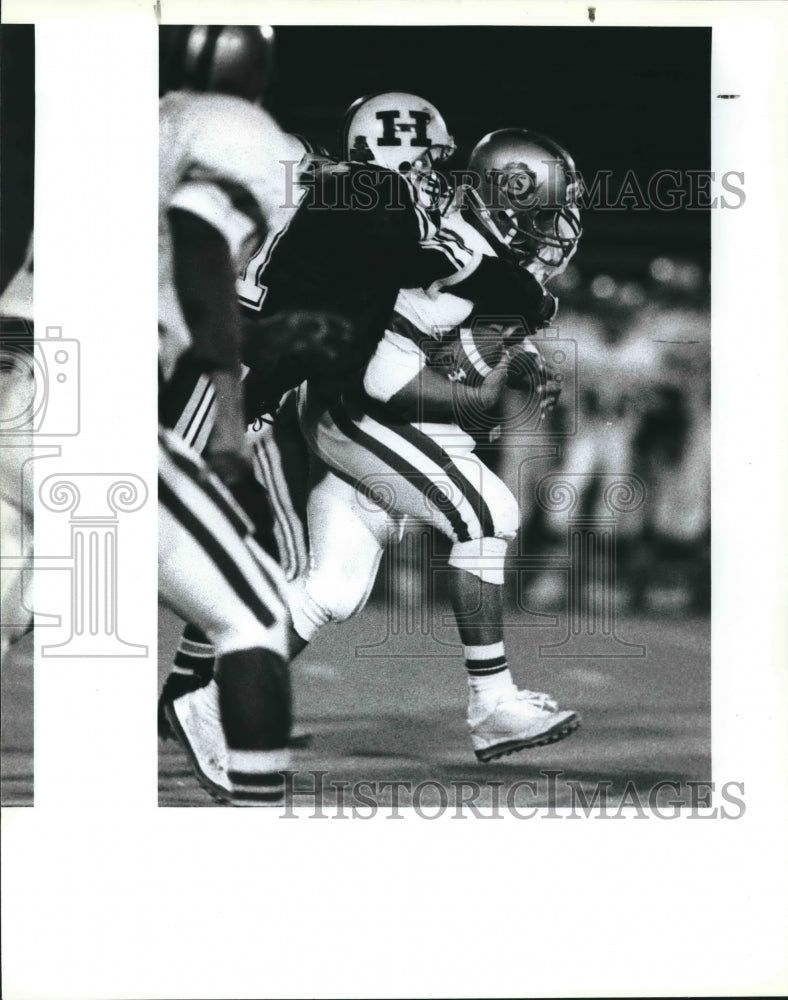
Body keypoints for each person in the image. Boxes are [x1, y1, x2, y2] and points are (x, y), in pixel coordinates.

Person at [291, 127, 583, 761]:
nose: (556, 230)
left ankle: (208, 693)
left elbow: (474, 332)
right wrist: (481, 398)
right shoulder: (455, 257)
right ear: (504, 205)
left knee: (331, 588)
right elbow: (387, 377)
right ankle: (492, 703)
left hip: (376, 419)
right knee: (488, 515)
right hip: (366, 414)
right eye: (544, 214)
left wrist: (522, 359)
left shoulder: (470, 243)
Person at [157, 27, 316, 805]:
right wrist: (227, 402)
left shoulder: (146, 119)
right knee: (259, 609)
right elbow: (199, 239)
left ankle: (189, 700)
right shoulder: (246, 137)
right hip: (127, 387)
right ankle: (197, 709)